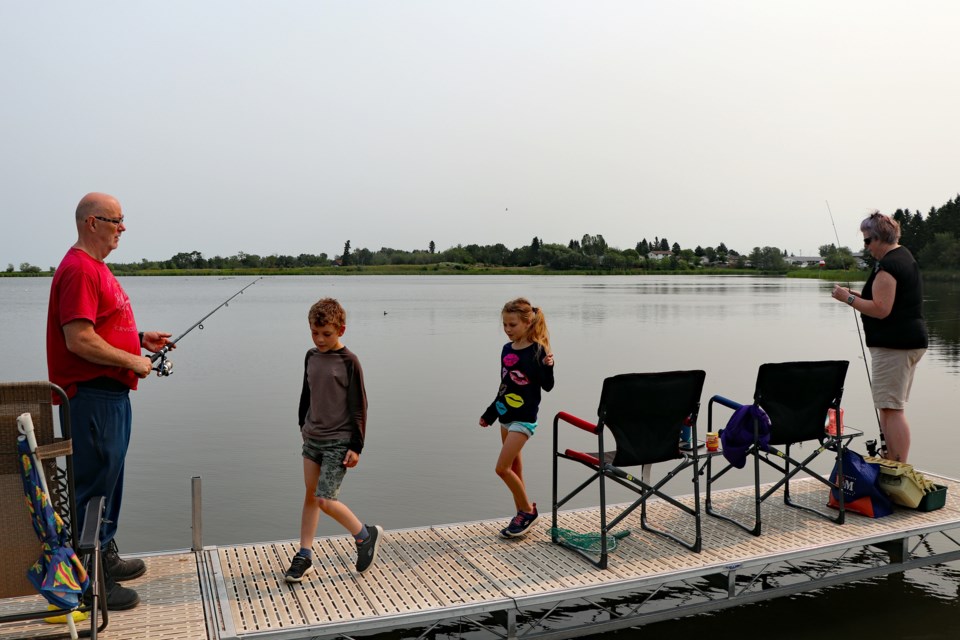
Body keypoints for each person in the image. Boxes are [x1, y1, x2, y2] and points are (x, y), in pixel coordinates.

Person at [46, 192, 174, 610]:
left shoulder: (96, 268)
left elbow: (99, 329)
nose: (123, 228)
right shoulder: (80, 270)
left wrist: (138, 341)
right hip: (92, 398)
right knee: (93, 489)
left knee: (109, 482)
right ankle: (90, 585)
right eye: (116, 220)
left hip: (110, 395)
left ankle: (106, 556)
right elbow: (78, 339)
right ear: (91, 222)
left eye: (123, 220)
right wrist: (134, 361)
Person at [285, 298, 383, 583]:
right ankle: (305, 554)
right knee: (310, 496)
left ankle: (365, 536)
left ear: (341, 329)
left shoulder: (349, 361)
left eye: (326, 333)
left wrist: (356, 446)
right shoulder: (311, 356)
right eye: (315, 333)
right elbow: (307, 392)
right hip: (312, 438)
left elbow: (359, 407)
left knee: (325, 500)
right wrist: (302, 423)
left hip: (338, 442)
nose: (320, 339)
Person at [831, 210, 927, 462]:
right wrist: (851, 294)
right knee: (888, 406)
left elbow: (881, 310)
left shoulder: (888, 266)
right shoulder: (903, 257)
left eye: (867, 240)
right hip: (907, 342)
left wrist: (848, 299)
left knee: (892, 409)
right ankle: (891, 461)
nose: (865, 247)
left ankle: (898, 467)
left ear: (880, 238)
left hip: (894, 346)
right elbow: (883, 300)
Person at [479, 298, 555, 539]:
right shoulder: (506, 349)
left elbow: (548, 386)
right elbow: (506, 384)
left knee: (501, 468)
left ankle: (526, 511)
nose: (508, 329)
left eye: (512, 324)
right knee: (514, 467)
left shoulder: (537, 350)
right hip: (505, 415)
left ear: (527, 323)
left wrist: (548, 366)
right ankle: (520, 517)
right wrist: (491, 413)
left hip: (524, 418)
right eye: (504, 325)